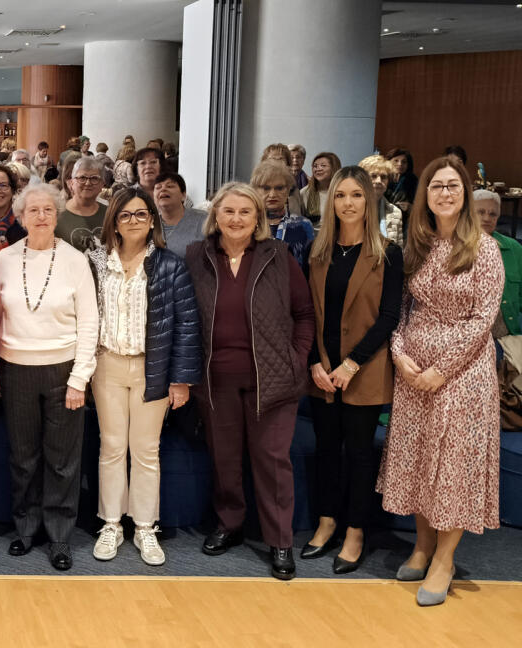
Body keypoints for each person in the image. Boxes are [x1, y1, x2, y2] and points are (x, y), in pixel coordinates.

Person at [377, 157, 504, 606]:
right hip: (414, 369)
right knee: (417, 460)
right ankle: (422, 545)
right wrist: (399, 353)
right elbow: (401, 309)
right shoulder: (417, 245)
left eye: (453, 186)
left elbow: (483, 319)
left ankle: (444, 560)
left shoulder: (482, 249)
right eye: (436, 186)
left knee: (453, 465)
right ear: (425, 196)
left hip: (463, 373)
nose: (445, 193)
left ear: (465, 193)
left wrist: (442, 368)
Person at [184, 182, 314, 580]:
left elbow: (304, 313)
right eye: (229, 211)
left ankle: (280, 541)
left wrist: (296, 358)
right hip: (216, 378)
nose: (236, 219)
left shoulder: (278, 255)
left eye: (245, 211)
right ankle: (230, 524)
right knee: (224, 457)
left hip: (273, 379)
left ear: (257, 217)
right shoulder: (197, 256)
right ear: (215, 216)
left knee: (273, 461)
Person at [0, 182, 98, 571]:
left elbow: (89, 322)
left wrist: (80, 377)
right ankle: (26, 527)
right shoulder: (3, 259)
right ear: (19, 216)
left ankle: (60, 534)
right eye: (33, 210)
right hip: (14, 368)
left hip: (63, 369)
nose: (41, 216)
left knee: (63, 459)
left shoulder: (74, 260)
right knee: (22, 456)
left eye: (48, 210)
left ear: (57, 215)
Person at [86, 187, 201, 566]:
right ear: (114, 222)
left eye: (140, 214)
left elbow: (187, 325)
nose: (133, 221)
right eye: (125, 215)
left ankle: (146, 528)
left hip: (153, 367)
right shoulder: (98, 261)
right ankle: (111, 523)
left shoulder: (170, 265)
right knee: (112, 447)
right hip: (108, 365)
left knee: (147, 451)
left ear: (152, 219)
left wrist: (180, 379)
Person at [302, 166, 404, 575]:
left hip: (363, 369)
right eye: (340, 196)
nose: (348, 203)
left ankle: (355, 531)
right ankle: (327, 522)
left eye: (356, 196)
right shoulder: (318, 250)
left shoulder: (387, 253)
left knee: (360, 455)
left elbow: (389, 316)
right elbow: (307, 312)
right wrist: (315, 361)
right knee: (326, 450)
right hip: (323, 371)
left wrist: (351, 363)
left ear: (369, 201)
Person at [474, 190, 522, 334]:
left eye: (492, 214)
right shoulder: (453, 248)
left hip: (506, 331)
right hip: (467, 336)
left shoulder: (514, 248)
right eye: (480, 212)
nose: (487, 218)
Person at [252, 160, 315, 269]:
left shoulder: (303, 225)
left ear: (288, 190)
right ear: (256, 190)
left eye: (279, 188)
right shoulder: (248, 225)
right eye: (266, 188)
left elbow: (309, 268)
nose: (272, 194)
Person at [56, 157, 106, 252]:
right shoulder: (56, 215)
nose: (88, 183)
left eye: (94, 178)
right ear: (71, 183)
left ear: (102, 184)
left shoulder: (109, 214)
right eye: (82, 178)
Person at [152, 172, 206, 258]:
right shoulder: (148, 224)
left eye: (170, 186)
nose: (163, 189)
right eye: (158, 187)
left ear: (183, 195)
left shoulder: (203, 220)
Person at [358, 154, 405, 246]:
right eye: (373, 176)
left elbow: (399, 250)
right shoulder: (351, 207)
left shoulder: (395, 212)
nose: (379, 181)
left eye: (383, 177)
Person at [260, 143, 306, 216]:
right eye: (273, 159)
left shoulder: (294, 190)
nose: (277, 163)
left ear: (288, 164)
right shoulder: (257, 188)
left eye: (281, 159)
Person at [303, 152, 341, 225]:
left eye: (323, 166)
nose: (318, 169)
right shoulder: (305, 192)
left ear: (334, 168)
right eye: (315, 166)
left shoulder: (343, 192)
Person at [385, 148, 418, 216]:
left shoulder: (413, 180)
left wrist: (410, 207)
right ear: (388, 162)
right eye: (396, 161)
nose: (400, 164)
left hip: (404, 219)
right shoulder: (381, 177)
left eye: (404, 162)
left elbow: (420, 206)